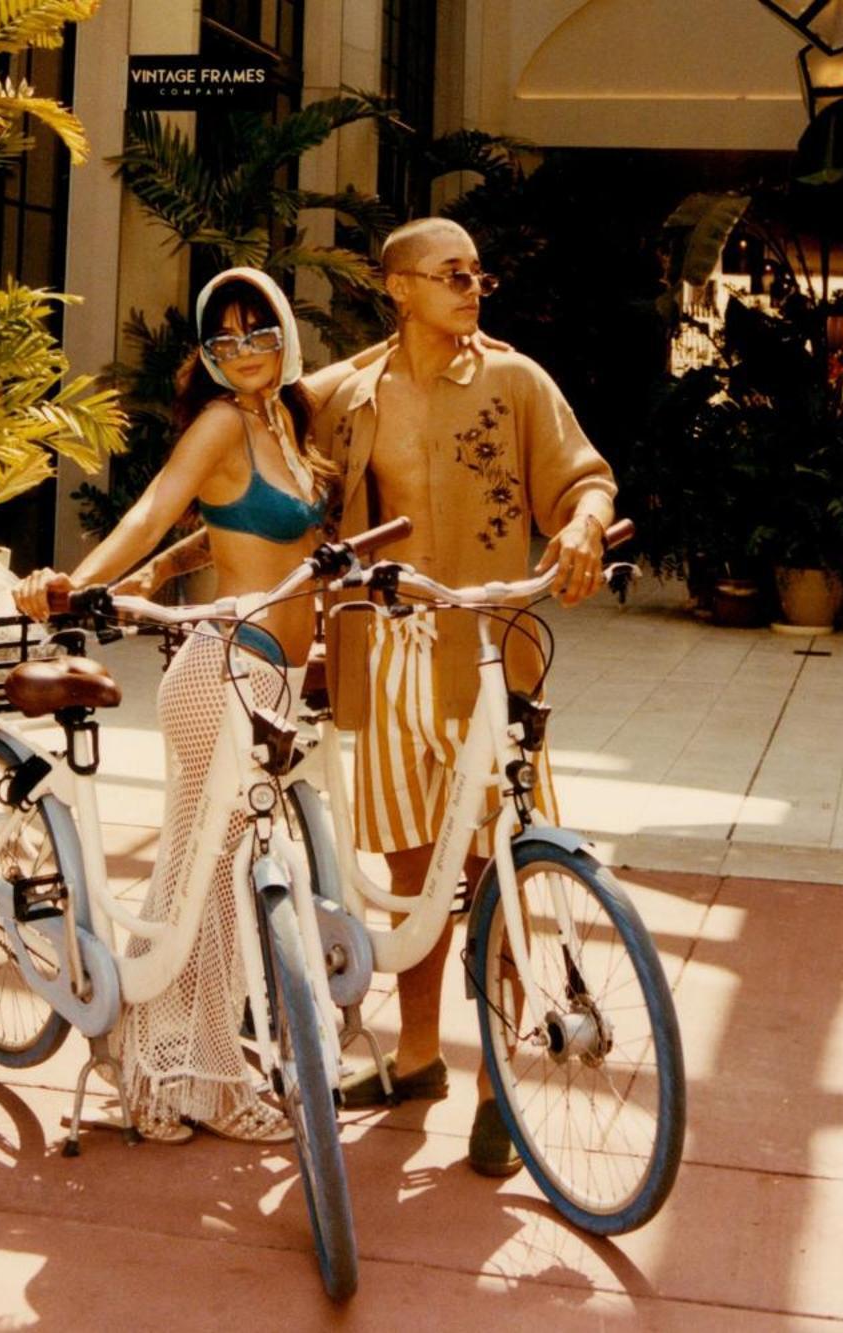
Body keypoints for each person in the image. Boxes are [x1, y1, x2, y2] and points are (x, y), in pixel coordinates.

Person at [12, 267, 342, 1144]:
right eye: (223, 338)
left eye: (257, 330)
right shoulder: (223, 421)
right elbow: (156, 506)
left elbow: (243, 524)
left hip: (268, 679)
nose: (242, 351)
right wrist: (76, 582)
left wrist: (175, 564)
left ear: (284, 333)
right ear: (206, 353)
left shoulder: (287, 421)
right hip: (220, 675)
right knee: (215, 895)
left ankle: (162, 1061)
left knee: (210, 886)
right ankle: (190, 1076)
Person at [318, 216, 617, 1176]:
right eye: (451, 273)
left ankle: (494, 1079)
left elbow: (587, 480)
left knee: (501, 871)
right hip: (393, 657)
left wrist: (581, 529)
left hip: (490, 658)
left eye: (478, 273)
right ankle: (415, 1060)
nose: (472, 286)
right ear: (396, 286)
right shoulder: (349, 396)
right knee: (413, 872)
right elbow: (252, 437)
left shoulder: (515, 381)